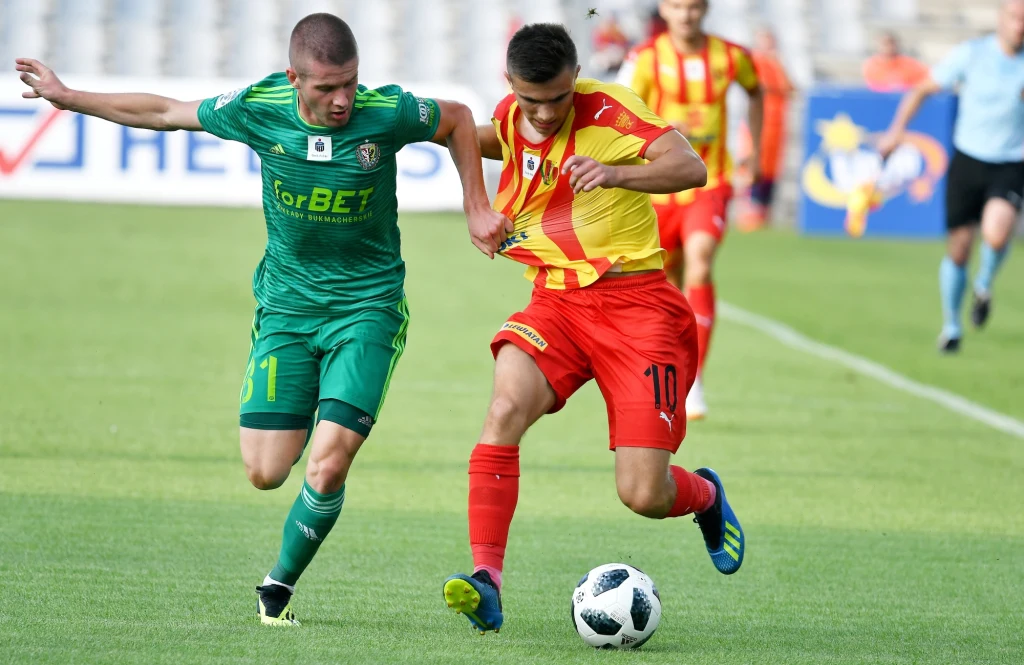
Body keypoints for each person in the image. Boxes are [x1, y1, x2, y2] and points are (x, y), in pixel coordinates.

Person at [16, 13, 510, 626]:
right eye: (327, 88)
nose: (342, 100)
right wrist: (69, 98)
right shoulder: (258, 106)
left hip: (368, 307)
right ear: (293, 78)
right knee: (266, 471)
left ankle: (278, 584)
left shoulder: (386, 112)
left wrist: (475, 207)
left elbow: (459, 117)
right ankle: (320, 424)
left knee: (328, 464)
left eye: (350, 84)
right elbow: (166, 111)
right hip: (286, 310)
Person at [440, 23, 745, 635]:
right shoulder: (509, 117)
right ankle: (487, 580)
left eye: (558, 97)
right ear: (511, 86)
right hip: (555, 303)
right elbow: (456, 129)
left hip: (638, 308)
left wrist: (615, 173)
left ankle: (706, 498)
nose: (546, 113)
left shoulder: (611, 111)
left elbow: (689, 166)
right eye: (532, 101)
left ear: (575, 78)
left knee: (643, 494)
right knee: (503, 410)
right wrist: (476, 204)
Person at [617, 0, 763, 420]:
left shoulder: (731, 56)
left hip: (708, 181)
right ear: (664, 9)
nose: (686, 15)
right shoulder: (644, 59)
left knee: (700, 263)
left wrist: (751, 146)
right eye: (678, 7)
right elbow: (618, 112)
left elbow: (757, 93)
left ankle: (694, 380)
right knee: (665, 283)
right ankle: (663, 373)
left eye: (694, 7)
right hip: (657, 192)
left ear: (706, 9)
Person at [878, 0, 1024, 352]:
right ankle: (952, 326)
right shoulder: (973, 54)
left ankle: (984, 284)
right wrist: (897, 130)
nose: (1019, 25)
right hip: (968, 158)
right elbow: (923, 89)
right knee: (959, 248)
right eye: (1015, 17)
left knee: (996, 232)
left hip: (1011, 161)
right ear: (1002, 19)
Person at [738, 28, 794, 231]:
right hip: (758, 122)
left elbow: (790, 88)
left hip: (776, 125)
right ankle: (749, 212)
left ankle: (764, 213)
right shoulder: (756, 62)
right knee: (754, 163)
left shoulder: (777, 64)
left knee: (771, 169)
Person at [863, 31, 930, 93]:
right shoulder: (872, 65)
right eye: (885, 43)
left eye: (891, 43)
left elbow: (926, 82)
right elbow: (873, 86)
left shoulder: (912, 64)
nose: (889, 47)